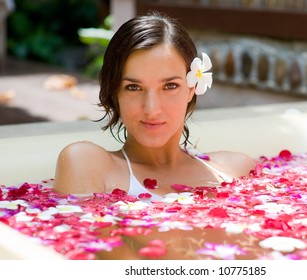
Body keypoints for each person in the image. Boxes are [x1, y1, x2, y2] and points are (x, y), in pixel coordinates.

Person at [53, 12, 255, 201]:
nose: (152, 109)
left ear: (192, 88)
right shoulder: (85, 163)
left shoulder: (236, 168)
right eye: (133, 87)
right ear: (115, 93)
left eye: (169, 86)